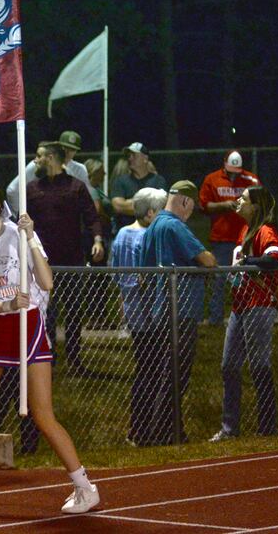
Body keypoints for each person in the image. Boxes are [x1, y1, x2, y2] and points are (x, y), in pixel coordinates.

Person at [0, 180, 99, 515]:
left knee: (43, 415)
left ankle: (85, 487)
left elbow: (47, 282)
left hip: (29, 328)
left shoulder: (21, 234)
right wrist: (7, 305)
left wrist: (30, 239)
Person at [139, 180, 217, 444]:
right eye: (191, 207)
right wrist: (209, 256)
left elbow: (143, 276)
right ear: (185, 201)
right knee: (175, 377)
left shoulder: (153, 227)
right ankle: (163, 431)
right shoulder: (174, 225)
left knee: (166, 373)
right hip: (181, 311)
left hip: (160, 310)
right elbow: (206, 260)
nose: (190, 213)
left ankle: (171, 430)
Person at [210, 186, 278, 442]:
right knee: (229, 366)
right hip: (240, 306)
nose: (238, 201)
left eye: (244, 199)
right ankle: (230, 429)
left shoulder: (265, 230)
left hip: (259, 304)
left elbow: (275, 257)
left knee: (259, 366)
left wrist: (248, 263)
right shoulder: (245, 229)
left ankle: (267, 426)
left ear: (256, 206)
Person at [27, 142, 104, 375]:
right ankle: (47, 357)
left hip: (71, 259)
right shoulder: (32, 188)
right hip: (42, 261)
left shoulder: (76, 187)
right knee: (46, 311)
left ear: (51, 158)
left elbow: (92, 217)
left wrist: (98, 240)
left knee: (72, 310)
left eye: (39, 156)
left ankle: (74, 358)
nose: (36, 160)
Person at [109, 187, 168, 445]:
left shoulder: (122, 233)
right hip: (148, 313)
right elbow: (146, 278)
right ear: (151, 212)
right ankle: (143, 429)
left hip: (133, 311)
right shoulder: (146, 236)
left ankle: (139, 427)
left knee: (144, 368)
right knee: (150, 371)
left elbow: (113, 271)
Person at [199, 150, 261, 325]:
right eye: (231, 170)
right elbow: (204, 206)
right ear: (224, 164)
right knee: (219, 278)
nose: (234, 175)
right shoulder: (212, 179)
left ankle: (248, 314)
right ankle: (215, 318)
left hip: (246, 237)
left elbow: (261, 203)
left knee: (248, 277)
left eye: (237, 171)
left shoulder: (251, 179)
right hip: (222, 238)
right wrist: (223, 205)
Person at [6, 131, 92, 214]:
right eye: (65, 147)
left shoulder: (80, 169)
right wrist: (21, 215)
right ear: (58, 147)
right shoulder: (38, 164)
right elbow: (12, 190)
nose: (67, 152)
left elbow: (87, 198)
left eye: (72, 149)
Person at [110, 142, 167, 233]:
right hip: (127, 233)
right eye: (129, 155)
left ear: (145, 158)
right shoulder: (120, 181)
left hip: (151, 233)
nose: (130, 158)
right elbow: (118, 206)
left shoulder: (158, 181)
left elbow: (161, 208)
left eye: (134, 155)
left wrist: (129, 202)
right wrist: (147, 205)